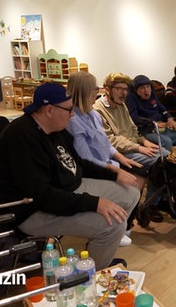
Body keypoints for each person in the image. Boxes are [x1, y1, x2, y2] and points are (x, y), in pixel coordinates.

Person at [0, 82, 140, 270]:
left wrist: (114, 174)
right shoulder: (22, 138)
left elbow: (78, 164)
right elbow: (43, 197)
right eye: (68, 109)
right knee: (114, 225)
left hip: (65, 189)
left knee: (131, 192)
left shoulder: (55, 129)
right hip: (32, 211)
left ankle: (99, 252)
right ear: (49, 110)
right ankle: (92, 274)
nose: (72, 114)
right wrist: (94, 203)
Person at [66, 71, 145, 247]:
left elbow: (106, 143)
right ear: (84, 91)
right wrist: (115, 169)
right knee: (133, 183)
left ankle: (124, 223)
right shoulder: (73, 120)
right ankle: (117, 225)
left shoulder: (92, 114)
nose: (98, 91)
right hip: (92, 170)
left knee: (140, 172)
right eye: (95, 88)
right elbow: (86, 159)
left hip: (108, 162)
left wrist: (121, 159)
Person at [94, 73, 168, 222]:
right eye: (119, 89)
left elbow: (133, 128)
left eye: (125, 89)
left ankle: (160, 200)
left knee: (168, 155)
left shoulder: (122, 106)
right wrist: (137, 147)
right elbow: (110, 141)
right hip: (119, 153)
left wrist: (143, 141)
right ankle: (150, 205)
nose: (123, 93)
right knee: (161, 161)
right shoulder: (98, 110)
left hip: (133, 146)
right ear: (107, 89)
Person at [126, 74, 176, 151]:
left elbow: (162, 108)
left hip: (160, 128)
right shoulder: (130, 98)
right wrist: (154, 123)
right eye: (142, 88)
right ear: (136, 90)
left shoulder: (152, 94)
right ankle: (165, 162)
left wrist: (170, 119)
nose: (146, 91)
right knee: (166, 141)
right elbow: (134, 118)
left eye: (148, 87)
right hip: (146, 131)